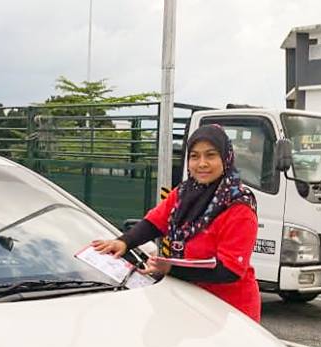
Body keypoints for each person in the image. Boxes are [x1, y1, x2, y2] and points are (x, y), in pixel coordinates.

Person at [92, 124, 261, 321]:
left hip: (230, 312)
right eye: (194, 156)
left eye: (211, 155)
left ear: (226, 158)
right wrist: (123, 242)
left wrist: (171, 269)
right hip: (188, 302)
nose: (202, 163)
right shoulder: (184, 193)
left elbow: (229, 271)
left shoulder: (239, 205)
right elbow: (154, 223)